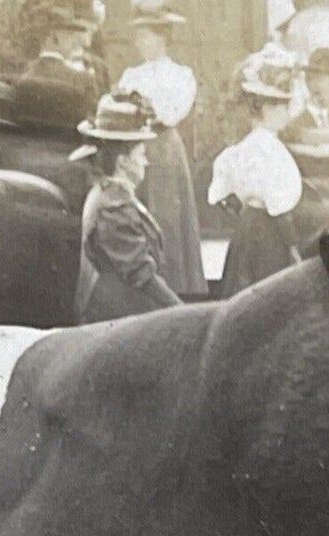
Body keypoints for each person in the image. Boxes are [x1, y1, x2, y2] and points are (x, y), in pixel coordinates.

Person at [116, 0, 204, 298]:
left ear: (162, 37)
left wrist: (148, 107)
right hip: (135, 149)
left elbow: (170, 113)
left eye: (146, 35)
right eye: (138, 35)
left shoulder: (180, 75)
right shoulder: (132, 74)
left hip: (164, 149)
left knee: (166, 216)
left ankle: (174, 285)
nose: (139, 42)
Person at [72, 89, 180, 324]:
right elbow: (141, 274)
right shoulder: (114, 206)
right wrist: (181, 313)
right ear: (123, 163)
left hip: (121, 312)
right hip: (117, 318)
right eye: (141, 155)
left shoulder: (110, 193)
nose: (146, 162)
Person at [209, 44, 303, 299]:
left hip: (246, 230)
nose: (287, 114)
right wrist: (293, 246)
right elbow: (280, 210)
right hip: (269, 235)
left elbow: (220, 196)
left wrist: (245, 210)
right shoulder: (269, 149)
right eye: (283, 107)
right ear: (267, 108)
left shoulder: (245, 146)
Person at [14, 7, 98, 132]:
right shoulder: (82, 80)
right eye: (69, 35)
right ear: (54, 37)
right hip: (69, 150)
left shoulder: (20, 75)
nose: (74, 41)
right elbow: (91, 128)